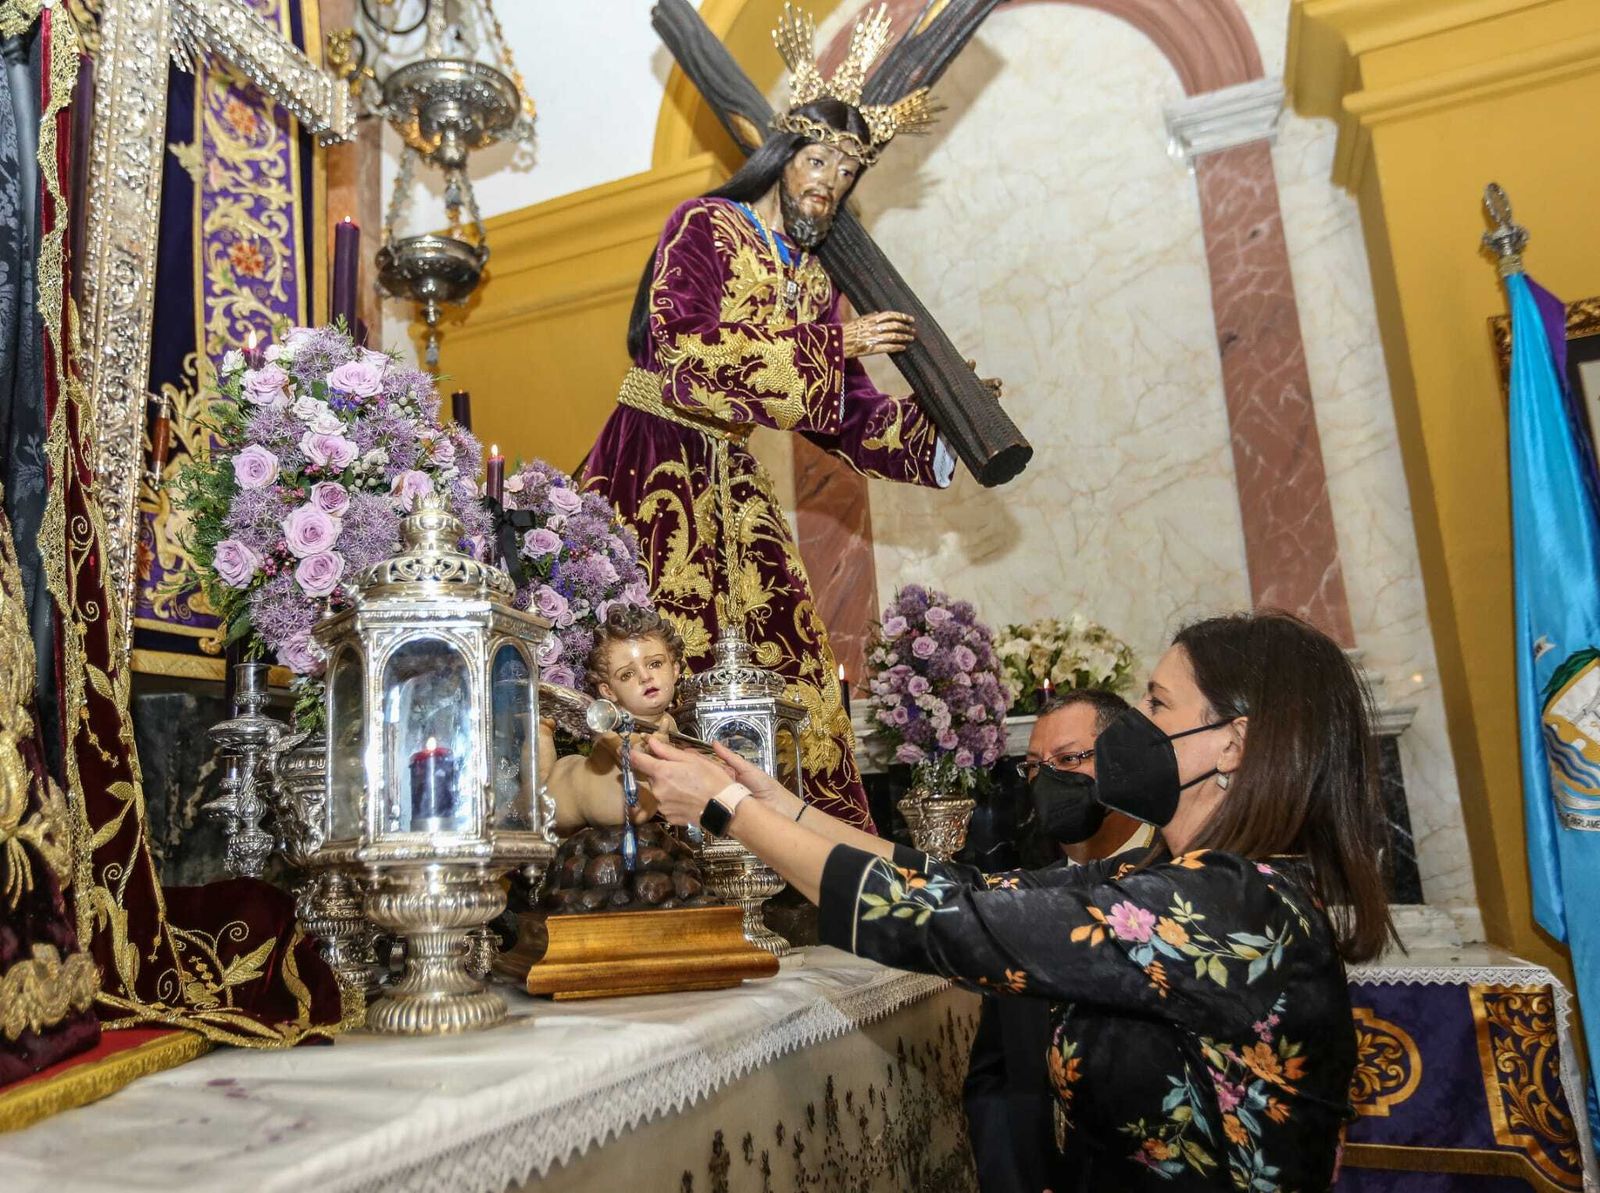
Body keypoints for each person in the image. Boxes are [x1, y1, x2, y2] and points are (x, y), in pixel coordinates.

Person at [633, 611, 1396, 1190]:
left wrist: (726, 805)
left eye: (1159, 704)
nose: (1139, 728)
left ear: (1233, 741)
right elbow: (966, 890)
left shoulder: (1231, 906)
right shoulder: (1189, 880)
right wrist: (779, 806)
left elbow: (950, 923)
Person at [579, 7, 960, 833]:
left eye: (848, 169)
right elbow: (682, 355)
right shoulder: (707, 225)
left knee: (793, 654)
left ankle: (804, 854)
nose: (830, 180)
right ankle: (651, 842)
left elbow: (847, 414)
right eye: (818, 157)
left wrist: (939, 423)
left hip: (735, 477)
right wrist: (834, 341)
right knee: (652, 656)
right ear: (784, 157)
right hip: (655, 461)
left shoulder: (818, 282)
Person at [967, 687, 1145, 1193]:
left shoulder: (1175, 881)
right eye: (1034, 766)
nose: (1046, 780)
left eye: (1068, 760)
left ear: (1125, 764)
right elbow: (994, 1075)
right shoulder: (1020, 898)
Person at [546, 606, 685, 834]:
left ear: (675, 668)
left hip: (636, 817)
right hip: (564, 801)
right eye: (627, 675)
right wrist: (628, 749)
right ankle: (542, 733)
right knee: (537, 792)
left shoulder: (670, 722)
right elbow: (613, 744)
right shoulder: (610, 721)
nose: (645, 677)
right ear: (608, 691)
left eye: (655, 664)